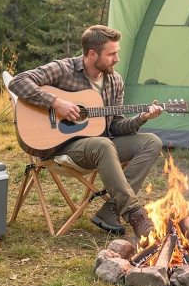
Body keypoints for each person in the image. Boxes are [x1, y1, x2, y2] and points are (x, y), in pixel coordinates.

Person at [9, 25, 163, 238]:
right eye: (111, 54)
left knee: (152, 141)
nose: (116, 59)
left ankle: (110, 210)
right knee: (103, 144)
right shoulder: (63, 69)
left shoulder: (114, 81)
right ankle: (135, 214)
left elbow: (115, 126)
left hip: (102, 147)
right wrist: (56, 103)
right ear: (92, 54)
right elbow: (18, 82)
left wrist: (141, 118)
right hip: (64, 148)